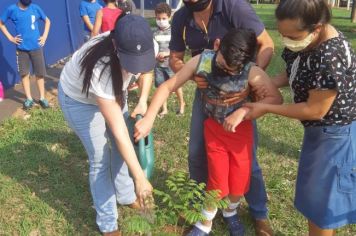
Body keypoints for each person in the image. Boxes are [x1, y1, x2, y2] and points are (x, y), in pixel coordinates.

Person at [134, 29, 281, 236]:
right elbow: (168, 87)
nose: (226, 73)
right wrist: (149, 117)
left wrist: (245, 110)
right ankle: (204, 224)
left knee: (240, 182)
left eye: (233, 71)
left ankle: (230, 213)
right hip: (214, 131)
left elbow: (275, 99)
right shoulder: (201, 61)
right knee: (218, 181)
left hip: (241, 134)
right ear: (216, 45)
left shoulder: (252, 71)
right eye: (222, 65)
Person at [244, 0, 356, 235]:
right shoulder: (307, 43)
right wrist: (268, 84)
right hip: (318, 133)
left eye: (293, 37)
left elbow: (315, 110)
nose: (287, 41)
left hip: (334, 136)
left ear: (316, 28)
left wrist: (267, 107)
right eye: (283, 35)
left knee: (322, 208)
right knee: (314, 197)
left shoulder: (330, 55)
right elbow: (295, 68)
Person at [168, 0, 275, 234]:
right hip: (207, 94)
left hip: (239, 96)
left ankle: (258, 213)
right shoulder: (181, 17)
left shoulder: (234, 7)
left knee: (246, 159)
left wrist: (246, 83)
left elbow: (266, 44)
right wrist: (187, 72)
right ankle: (201, 208)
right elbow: (174, 58)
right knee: (197, 152)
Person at [58, 14, 154, 235]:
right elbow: (118, 130)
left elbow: (147, 70)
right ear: (115, 45)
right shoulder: (102, 66)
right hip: (79, 100)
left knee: (123, 150)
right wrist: (140, 177)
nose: (134, 68)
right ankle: (108, 223)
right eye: (130, 61)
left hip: (114, 91)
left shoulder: (149, 44)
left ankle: (126, 195)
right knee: (101, 158)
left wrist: (141, 100)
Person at [0, 0, 51, 110]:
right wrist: (10, 38)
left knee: (39, 74)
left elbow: (47, 21)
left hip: (36, 48)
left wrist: (44, 36)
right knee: (24, 74)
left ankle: (42, 98)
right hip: (21, 49)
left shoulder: (35, 8)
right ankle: (29, 99)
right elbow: (1, 23)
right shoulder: (12, 9)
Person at [153, 3, 185, 117]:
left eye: (164, 18)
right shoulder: (154, 32)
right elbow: (153, 47)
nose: (161, 21)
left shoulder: (174, 31)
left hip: (171, 65)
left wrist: (167, 54)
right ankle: (164, 109)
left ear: (169, 17)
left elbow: (179, 48)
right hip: (158, 66)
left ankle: (182, 104)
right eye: (158, 18)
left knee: (176, 86)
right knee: (161, 87)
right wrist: (155, 55)